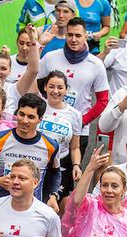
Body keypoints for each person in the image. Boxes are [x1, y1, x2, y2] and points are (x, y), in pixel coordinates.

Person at [0, 94, 62, 207]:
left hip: (34, 210)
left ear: (40, 120)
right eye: (21, 114)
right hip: (2, 208)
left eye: (31, 117)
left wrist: (53, 196)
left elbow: (55, 173)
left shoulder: (51, 146)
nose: (24, 121)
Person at [39, 18, 111, 144]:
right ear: (65, 35)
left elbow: (103, 100)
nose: (73, 39)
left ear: (85, 36)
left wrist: (82, 121)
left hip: (79, 130)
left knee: (73, 164)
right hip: (48, 125)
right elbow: (37, 87)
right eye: (70, 35)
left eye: (78, 35)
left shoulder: (96, 64)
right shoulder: (50, 57)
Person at [38, 71, 83, 203]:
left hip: (60, 165)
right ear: (45, 87)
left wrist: (76, 165)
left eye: (60, 87)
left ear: (66, 90)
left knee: (56, 205)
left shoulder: (75, 115)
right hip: (36, 160)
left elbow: (75, 147)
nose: (55, 91)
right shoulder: (37, 106)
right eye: (51, 86)